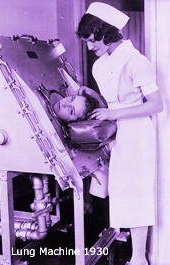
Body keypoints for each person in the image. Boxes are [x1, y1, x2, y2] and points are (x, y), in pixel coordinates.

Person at [76, 2, 163, 265]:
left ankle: (139, 258)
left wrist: (114, 115)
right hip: (114, 131)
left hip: (137, 133)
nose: (90, 47)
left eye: (92, 40)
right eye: (87, 42)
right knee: (120, 192)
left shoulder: (137, 61)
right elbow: (107, 103)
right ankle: (132, 253)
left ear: (107, 32)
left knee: (137, 193)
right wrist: (90, 97)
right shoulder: (99, 66)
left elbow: (156, 105)